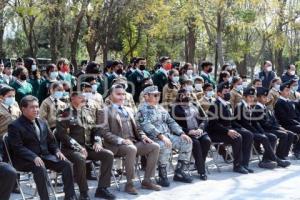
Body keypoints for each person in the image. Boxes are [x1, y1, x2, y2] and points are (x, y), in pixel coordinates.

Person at [7, 95, 76, 200]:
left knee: (67, 164)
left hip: (44, 156)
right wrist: (33, 157)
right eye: (32, 107)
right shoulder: (14, 126)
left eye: (37, 107)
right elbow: (17, 147)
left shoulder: (42, 122)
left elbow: (51, 141)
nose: (36, 110)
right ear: (23, 109)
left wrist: (57, 151)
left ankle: (70, 197)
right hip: (25, 160)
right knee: (40, 168)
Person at [99, 84, 161, 195]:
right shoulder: (104, 111)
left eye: (123, 94)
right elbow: (104, 132)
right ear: (110, 96)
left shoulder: (129, 109)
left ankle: (147, 181)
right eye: (118, 94)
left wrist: (143, 136)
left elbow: (138, 127)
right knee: (131, 149)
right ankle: (129, 184)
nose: (122, 97)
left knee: (155, 146)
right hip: (116, 145)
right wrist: (121, 140)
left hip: (133, 142)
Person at [56, 92, 115, 200]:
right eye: (81, 97)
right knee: (80, 158)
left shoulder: (88, 111)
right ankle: (84, 192)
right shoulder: (64, 114)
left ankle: (102, 189)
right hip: (70, 149)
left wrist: (97, 141)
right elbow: (62, 135)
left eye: (85, 97)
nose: (84, 99)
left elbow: (96, 129)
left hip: (88, 147)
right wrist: (79, 147)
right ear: (72, 98)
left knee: (108, 155)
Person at [137, 85, 193, 187]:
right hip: (153, 139)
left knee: (187, 142)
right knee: (165, 145)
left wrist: (181, 133)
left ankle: (180, 172)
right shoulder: (142, 109)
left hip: (167, 135)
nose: (158, 97)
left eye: (158, 94)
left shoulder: (160, 108)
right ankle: (162, 175)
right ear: (146, 96)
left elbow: (170, 121)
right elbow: (147, 126)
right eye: (155, 95)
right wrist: (162, 137)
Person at [235, 87, 290, 169]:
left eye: (253, 97)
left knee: (272, 137)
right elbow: (243, 123)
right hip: (245, 131)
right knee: (264, 137)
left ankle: (266, 160)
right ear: (244, 97)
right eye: (250, 97)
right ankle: (275, 159)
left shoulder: (249, 106)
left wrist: (260, 131)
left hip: (252, 130)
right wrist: (258, 132)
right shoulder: (240, 106)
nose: (252, 98)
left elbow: (254, 122)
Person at [206, 81, 254, 174]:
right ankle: (237, 165)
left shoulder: (226, 104)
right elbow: (213, 124)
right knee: (237, 137)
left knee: (248, 134)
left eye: (228, 91)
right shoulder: (214, 105)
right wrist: (227, 131)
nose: (228, 93)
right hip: (216, 132)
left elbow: (231, 120)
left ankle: (245, 164)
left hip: (227, 129)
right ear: (219, 93)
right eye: (225, 92)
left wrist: (241, 128)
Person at [171, 89, 211, 180]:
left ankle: (199, 163)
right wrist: (188, 131)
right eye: (184, 95)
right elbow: (174, 125)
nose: (187, 96)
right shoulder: (175, 108)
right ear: (179, 96)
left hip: (198, 131)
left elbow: (205, 118)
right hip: (186, 133)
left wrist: (200, 128)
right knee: (196, 144)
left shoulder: (195, 104)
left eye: (189, 94)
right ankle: (202, 171)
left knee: (207, 141)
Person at [254, 87, 296, 160]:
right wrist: (278, 128)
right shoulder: (257, 108)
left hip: (272, 128)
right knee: (284, 134)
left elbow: (274, 120)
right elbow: (264, 123)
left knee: (291, 134)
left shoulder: (266, 107)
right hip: (265, 130)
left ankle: (283, 154)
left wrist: (279, 126)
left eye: (266, 97)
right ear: (258, 98)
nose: (266, 98)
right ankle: (278, 156)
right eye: (264, 97)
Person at [274, 82, 300, 159]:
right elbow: (284, 118)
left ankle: (297, 149)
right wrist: (297, 123)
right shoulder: (279, 102)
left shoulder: (289, 101)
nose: (288, 92)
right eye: (286, 90)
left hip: (292, 123)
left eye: (289, 90)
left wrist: (298, 122)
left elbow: (295, 115)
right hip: (285, 125)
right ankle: (296, 150)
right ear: (280, 92)